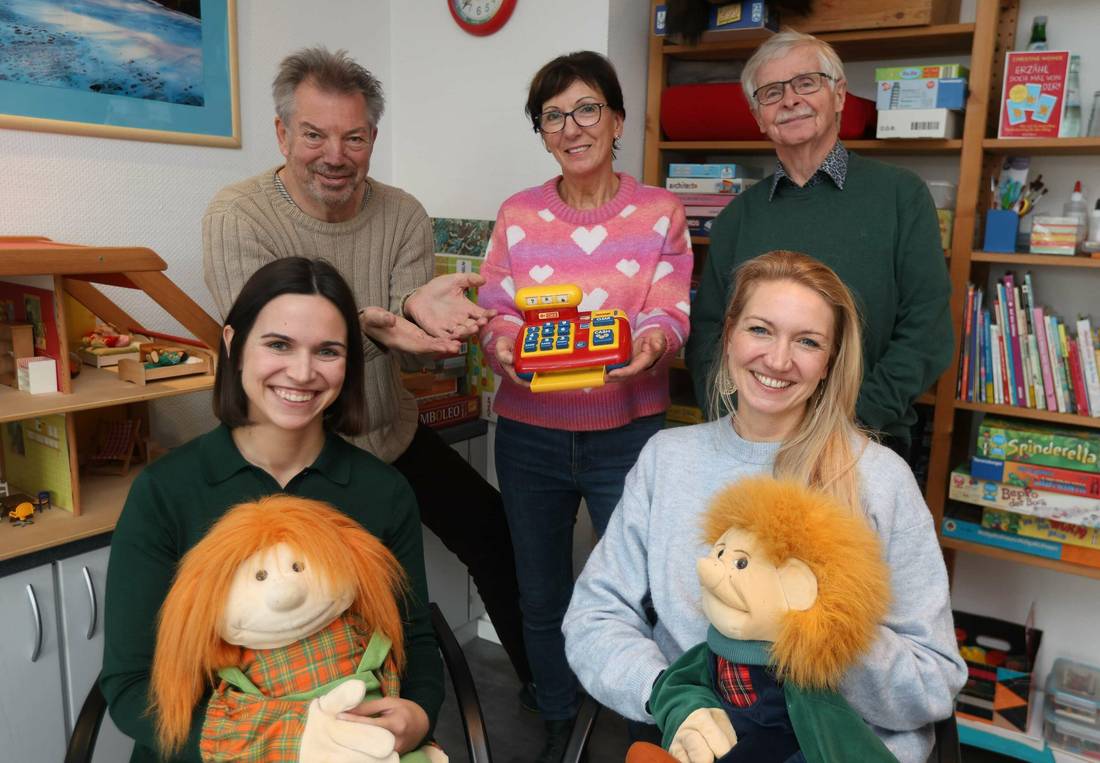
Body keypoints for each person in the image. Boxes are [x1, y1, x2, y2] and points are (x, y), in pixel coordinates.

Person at [202, 46, 533, 703]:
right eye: (314, 134)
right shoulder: (239, 214)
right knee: (332, 597)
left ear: (372, 138)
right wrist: (382, 324)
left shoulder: (402, 213)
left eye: (353, 137)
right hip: (292, 454)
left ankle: (543, 692)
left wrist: (425, 326)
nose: (335, 154)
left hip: (387, 433)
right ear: (281, 134)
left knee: (495, 532)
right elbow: (275, 348)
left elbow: (408, 344)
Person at [564, 251, 967, 763]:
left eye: (807, 341)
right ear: (729, 334)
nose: (778, 360)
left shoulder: (879, 479)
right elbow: (594, 617)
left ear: (830, 361)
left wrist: (813, 632)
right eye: (760, 329)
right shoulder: (667, 459)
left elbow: (934, 681)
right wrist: (670, 694)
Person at [101, 258, 443, 762]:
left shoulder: (382, 491)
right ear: (233, 343)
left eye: (327, 351)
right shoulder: (165, 491)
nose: (302, 373)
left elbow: (414, 640)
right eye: (279, 344)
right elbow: (130, 685)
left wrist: (418, 713)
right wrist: (276, 748)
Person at [476, 50, 692, 761]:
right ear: (541, 131)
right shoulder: (518, 213)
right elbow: (495, 309)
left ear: (618, 118)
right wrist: (503, 342)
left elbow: (671, 306)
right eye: (553, 115)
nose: (571, 127)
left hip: (627, 435)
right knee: (541, 593)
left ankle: (646, 730)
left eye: (587, 108)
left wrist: (656, 342)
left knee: (644, 594)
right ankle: (557, 715)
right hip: (530, 435)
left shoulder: (659, 210)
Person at [686, 30, 953, 459]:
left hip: (863, 441)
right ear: (758, 116)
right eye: (771, 92)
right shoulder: (737, 217)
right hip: (750, 444)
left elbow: (927, 330)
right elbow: (709, 336)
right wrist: (740, 421)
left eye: (806, 82)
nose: (790, 100)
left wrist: (848, 423)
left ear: (840, 95)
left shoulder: (901, 196)